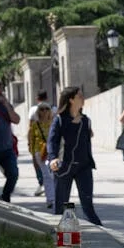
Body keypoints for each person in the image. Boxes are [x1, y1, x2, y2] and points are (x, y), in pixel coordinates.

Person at [48, 86, 103, 225]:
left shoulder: (86, 120)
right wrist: (52, 158)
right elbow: (52, 141)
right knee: (61, 206)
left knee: (88, 205)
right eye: (79, 96)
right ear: (71, 99)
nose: (83, 98)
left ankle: (103, 236)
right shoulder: (60, 120)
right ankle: (59, 240)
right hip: (64, 166)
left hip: (84, 166)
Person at [28, 102, 55, 209]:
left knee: (53, 175)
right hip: (40, 152)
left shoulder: (54, 123)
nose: (44, 111)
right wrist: (33, 155)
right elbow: (31, 140)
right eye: (42, 109)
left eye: (46, 109)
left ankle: (55, 197)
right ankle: (50, 199)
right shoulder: (35, 125)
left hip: (52, 152)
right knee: (47, 175)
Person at [27, 90, 49, 196]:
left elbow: (30, 128)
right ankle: (47, 185)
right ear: (47, 97)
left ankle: (42, 183)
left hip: (38, 144)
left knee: (38, 165)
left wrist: (29, 144)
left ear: (37, 98)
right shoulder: (52, 108)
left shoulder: (33, 110)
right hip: (50, 143)